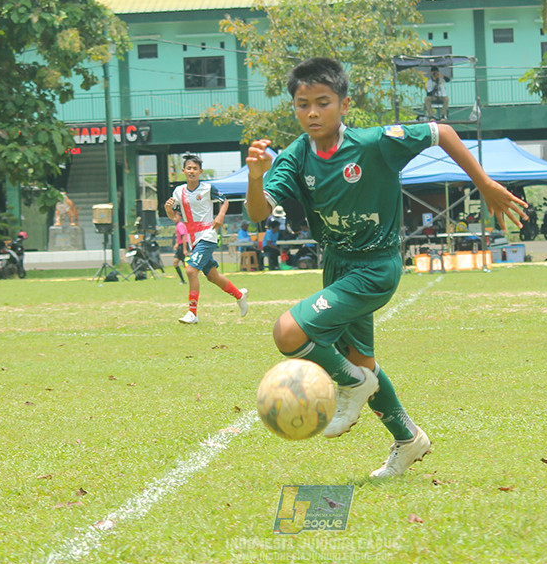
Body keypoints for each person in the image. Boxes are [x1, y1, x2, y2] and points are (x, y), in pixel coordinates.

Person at [245, 58, 527, 478]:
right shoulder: (295, 156)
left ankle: (352, 383)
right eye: (303, 104)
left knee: (288, 332)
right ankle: (408, 438)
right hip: (337, 267)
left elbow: (442, 131)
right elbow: (257, 214)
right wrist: (255, 176)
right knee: (363, 360)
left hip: (376, 267)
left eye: (323, 102)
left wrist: (484, 184)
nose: (313, 112)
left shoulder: (375, 143)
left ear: (345, 105)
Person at [165, 154, 247, 324]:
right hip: (193, 238)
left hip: (208, 235)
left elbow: (225, 201)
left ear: (200, 171)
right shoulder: (178, 192)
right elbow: (175, 218)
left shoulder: (208, 188)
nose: (192, 171)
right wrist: (168, 210)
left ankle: (192, 313)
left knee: (190, 271)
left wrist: (220, 216)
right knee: (212, 276)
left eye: (195, 168)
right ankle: (240, 295)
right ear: (183, 171)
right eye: (189, 168)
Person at [170, 211, 188, 284]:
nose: (174, 218)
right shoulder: (178, 225)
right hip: (180, 246)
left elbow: (184, 236)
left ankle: (191, 278)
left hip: (182, 246)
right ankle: (183, 280)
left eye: (176, 217)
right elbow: (180, 236)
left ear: (180, 217)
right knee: (176, 263)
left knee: (185, 265)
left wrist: (185, 249)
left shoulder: (180, 225)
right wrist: (177, 244)